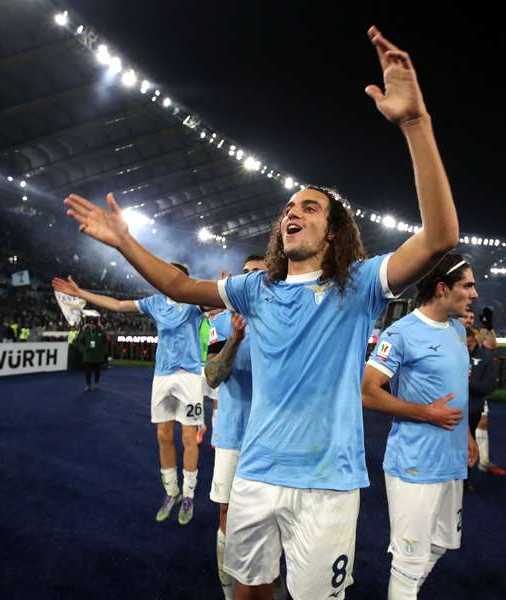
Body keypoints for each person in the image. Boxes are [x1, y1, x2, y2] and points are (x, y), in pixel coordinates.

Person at [62, 24, 459, 600]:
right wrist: (126, 243)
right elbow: (177, 283)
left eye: (310, 207)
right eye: (288, 208)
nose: (291, 213)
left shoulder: (361, 284)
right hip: (254, 472)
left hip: (327, 485)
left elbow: (439, 236)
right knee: (245, 592)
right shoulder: (255, 289)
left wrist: (415, 125)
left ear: (335, 228)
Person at [53, 262, 205, 526]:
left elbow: (221, 302)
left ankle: (189, 494)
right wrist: (82, 294)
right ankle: (172, 492)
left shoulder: (194, 301)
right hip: (162, 376)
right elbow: (117, 305)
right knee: (163, 435)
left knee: (190, 438)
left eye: (175, 275)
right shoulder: (155, 302)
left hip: (190, 376)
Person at [362, 253, 478, 599]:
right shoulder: (401, 333)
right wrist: (426, 413)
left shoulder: (457, 329)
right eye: (468, 285)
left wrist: (468, 434)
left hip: (452, 461)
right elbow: (367, 392)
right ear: (442, 288)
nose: (475, 294)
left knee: (441, 544)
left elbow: (456, 390)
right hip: (414, 464)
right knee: (409, 562)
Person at [204, 255, 266, 600]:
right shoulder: (225, 323)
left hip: (271, 437)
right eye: (248, 274)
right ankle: (229, 588)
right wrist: (236, 339)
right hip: (232, 434)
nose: (252, 279)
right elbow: (212, 376)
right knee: (227, 510)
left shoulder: (281, 320)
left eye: (260, 274)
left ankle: (263, 581)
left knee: (269, 517)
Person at [470, 307, 506, 476]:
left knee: (482, 421)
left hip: (475, 386)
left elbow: (491, 344)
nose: (469, 319)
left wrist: (488, 326)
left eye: (471, 317)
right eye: (466, 316)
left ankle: (483, 461)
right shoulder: (452, 330)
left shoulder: (477, 334)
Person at [75, 318, 110, 391]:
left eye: (93, 324)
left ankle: (96, 383)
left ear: (96, 325)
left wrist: (103, 351)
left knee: (97, 370)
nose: (92, 325)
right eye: (91, 324)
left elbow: (106, 342)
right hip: (88, 355)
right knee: (88, 371)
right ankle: (88, 385)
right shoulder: (85, 332)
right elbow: (80, 341)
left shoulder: (101, 332)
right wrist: (83, 350)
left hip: (98, 355)